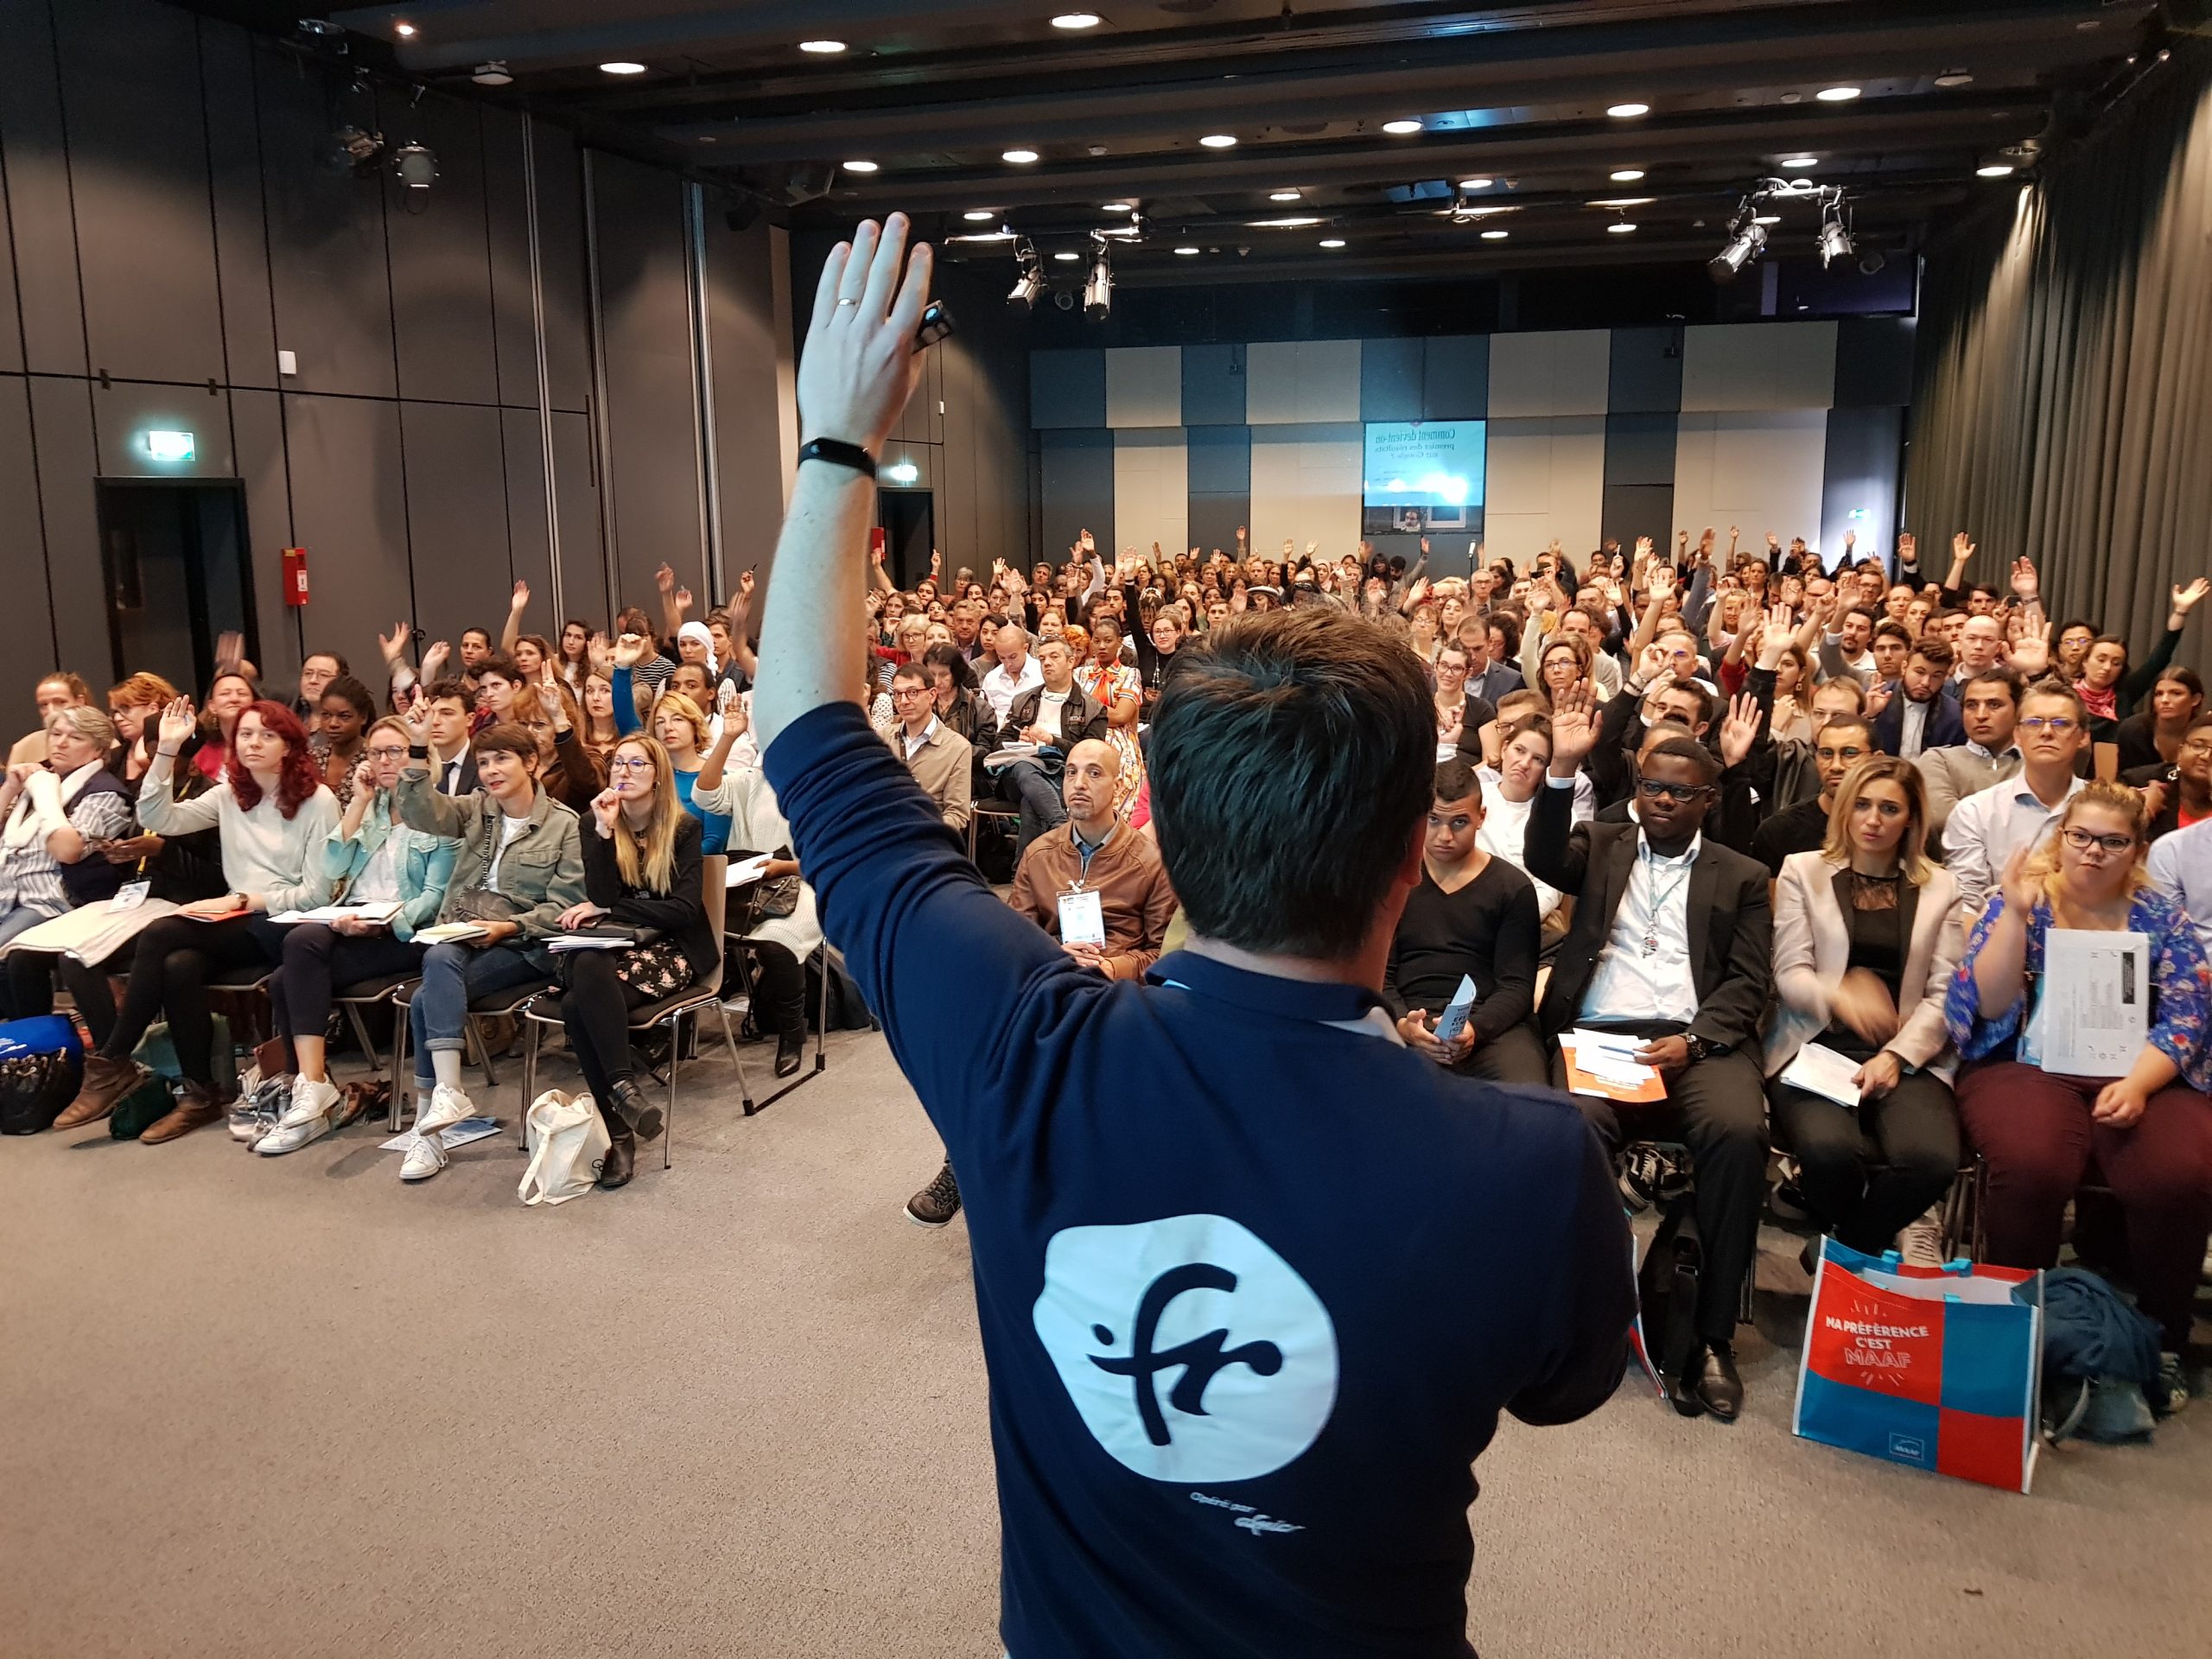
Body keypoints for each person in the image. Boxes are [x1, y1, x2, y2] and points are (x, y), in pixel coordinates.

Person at [759, 214, 1632, 1659]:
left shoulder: (1015, 1048)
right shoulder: (1537, 1169)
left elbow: (801, 715)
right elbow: (1565, 1387)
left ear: (1178, 837)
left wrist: (837, 442)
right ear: (1413, 854)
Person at [1528, 690, 1771, 1421]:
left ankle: (1713, 1336)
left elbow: (1749, 982)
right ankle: (1583, 1312)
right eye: (1650, 787)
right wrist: (1562, 772)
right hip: (1603, 1032)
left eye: (1679, 791)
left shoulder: (1742, 875)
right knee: (1571, 1127)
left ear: (1709, 798)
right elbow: (1545, 855)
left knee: (1739, 1133)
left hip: (1696, 1039)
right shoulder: (1603, 844)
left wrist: (1695, 1041)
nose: (1661, 801)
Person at [1947, 783, 2212, 1410]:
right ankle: (2014, 1330)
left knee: (2180, 1174)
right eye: (2081, 837)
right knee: (2034, 1165)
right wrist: (2012, 915)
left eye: (2113, 842)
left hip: (2143, 1071)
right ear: (2061, 839)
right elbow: (1986, 1004)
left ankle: (2162, 1338)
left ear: (2137, 851)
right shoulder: (2025, 902)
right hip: (2026, 1064)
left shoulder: (2161, 918)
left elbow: (2186, 1015)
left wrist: (2141, 1083)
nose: (2094, 852)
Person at [53, 698, 339, 1142]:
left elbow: (318, 893)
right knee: (178, 965)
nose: (254, 744)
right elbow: (156, 818)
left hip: (287, 920)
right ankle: (199, 1093)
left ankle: (114, 1060)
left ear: (289, 745)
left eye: (267, 735)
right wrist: (166, 750)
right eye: (245, 734)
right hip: (238, 917)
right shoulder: (230, 794)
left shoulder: (317, 801)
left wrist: (242, 898)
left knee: (164, 931)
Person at [1765, 758, 1962, 1265]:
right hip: (1817, 1043)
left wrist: (1896, 1057)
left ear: (1912, 820)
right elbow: (1790, 974)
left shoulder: (1943, 888)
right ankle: (1862, 1249)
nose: (1873, 819)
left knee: (1931, 1161)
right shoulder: (1803, 871)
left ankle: (1845, 1251)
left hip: (1907, 1050)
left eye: (1890, 808)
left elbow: (1944, 993)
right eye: (1863, 805)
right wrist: (1841, 996)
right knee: (1829, 1154)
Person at [250, 717, 460, 1155]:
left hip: (403, 933)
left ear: (419, 755)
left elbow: (435, 897)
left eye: (395, 751)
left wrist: (385, 921)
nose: (384, 762)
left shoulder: (442, 813)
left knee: (286, 979)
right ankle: (312, 1088)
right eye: (376, 753)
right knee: (299, 942)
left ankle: (309, 1091)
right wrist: (358, 804)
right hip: (351, 924)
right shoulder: (374, 811)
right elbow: (331, 870)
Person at [391, 718, 586, 1183]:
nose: (491, 770)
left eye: (502, 759)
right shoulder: (477, 808)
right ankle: (445, 1100)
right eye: (483, 761)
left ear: (532, 763)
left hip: (523, 946)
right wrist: (418, 749)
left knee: (423, 999)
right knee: (438, 960)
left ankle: (429, 1126)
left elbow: (565, 905)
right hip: (461, 934)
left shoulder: (564, 825)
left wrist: (507, 926)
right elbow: (419, 811)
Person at [557, 733, 715, 1190]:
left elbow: (682, 910)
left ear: (658, 775)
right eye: (618, 764)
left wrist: (614, 910)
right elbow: (603, 894)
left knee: (574, 1006)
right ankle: (625, 1093)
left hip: (673, 948)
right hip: (616, 949)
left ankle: (620, 1136)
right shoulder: (596, 824)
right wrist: (604, 834)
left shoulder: (684, 828)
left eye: (636, 765)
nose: (623, 772)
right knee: (585, 970)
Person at [1385, 759, 1547, 1085]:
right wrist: (1402, 1023)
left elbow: (1516, 985)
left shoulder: (1511, 887)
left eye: (1459, 822)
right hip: (1407, 1016)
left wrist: (1474, 1029)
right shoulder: (1393, 881)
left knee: (1528, 1097)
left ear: (1481, 817)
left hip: (1490, 1025)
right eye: (1433, 820)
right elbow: (1379, 974)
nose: (1444, 835)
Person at [693, 721, 820, 1079]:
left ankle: (792, 1034)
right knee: (683, 924)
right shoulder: (752, 778)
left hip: (802, 881)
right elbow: (705, 795)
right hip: (746, 883)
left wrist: (784, 867)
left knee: (777, 941)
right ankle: (675, 1033)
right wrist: (729, 737)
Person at [1942, 681, 2088, 925]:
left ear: (2083, 737)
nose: (2046, 732)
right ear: (2017, 735)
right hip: (1996, 939)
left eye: (2061, 723)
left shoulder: (2105, 810)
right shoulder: (1976, 812)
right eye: (2034, 722)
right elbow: (1967, 904)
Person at [0, 707, 133, 951]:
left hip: (51, 902)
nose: (61, 743)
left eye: (75, 737)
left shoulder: (104, 791)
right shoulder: (39, 779)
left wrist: (45, 794)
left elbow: (67, 850)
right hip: (6, 896)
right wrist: (9, 789)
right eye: (56, 734)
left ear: (98, 751)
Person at [989, 637, 1108, 859]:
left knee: (1031, 801)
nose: (1047, 663)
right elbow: (997, 743)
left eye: (1054, 657)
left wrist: (1052, 741)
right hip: (1016, 777)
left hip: (1064, 776)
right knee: (1024, 766)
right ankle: (1061, 826)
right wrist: (1020, 739)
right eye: (1042, 658)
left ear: (1071, 661)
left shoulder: (1092, 708)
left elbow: (1094, 755)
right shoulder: (1023, 700)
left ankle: (1022, 872)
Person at [1476, 715, 1590, 939]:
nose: (1525, 763)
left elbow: (1550, 888)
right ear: (1505, 748)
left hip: (1523, 925)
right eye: (1519, 750)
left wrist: (1512, 921)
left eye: (1538, 759)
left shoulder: (1558, 818)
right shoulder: (1475, 797)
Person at [1751, 716, 1876, 876]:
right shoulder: (1779, 832)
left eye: (1850, 753)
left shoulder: (1889, 828)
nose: (1836, 766)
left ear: (1876, 758)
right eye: (1826, 753)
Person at [1916, 668, 2023, 839]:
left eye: (1994, 705)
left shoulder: (2035, 763)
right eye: (1971, 706)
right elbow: (1942, 819)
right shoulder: (1938, 760)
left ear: (2019, 712)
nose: (1980, 715)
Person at [886, 661, 973, 833]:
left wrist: (919, 830)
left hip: (925, 840)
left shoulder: (957, 748)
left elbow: (957, 815)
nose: (903, 701)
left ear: (932, 695)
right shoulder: (882, 738)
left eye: (912, 693)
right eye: (897, 694)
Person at [1073, 616, 1146, 821]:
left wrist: (1087, 709)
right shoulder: (1079, 674)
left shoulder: (1131, 674)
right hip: (1085, 738)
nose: (1102, 646)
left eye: (1108, 640)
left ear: (1120, 643)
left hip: (1121, 741)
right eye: (1097, 641)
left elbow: (1122, 715)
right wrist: (1105, 713)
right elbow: (1073, 713)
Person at [1872, 639, 1962, 759]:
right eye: (1920, 672)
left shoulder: (1955, 714)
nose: (1925, 683)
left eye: (1936, 676)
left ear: (1945, 677)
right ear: (1904, 668)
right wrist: (1870, 716)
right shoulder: (1877, 698)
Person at [2115, 665, 2204, 773]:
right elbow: (2125, 778)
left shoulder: (2204, 733)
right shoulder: (2133, 730)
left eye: (2176, 693)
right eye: (2159, 694)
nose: (2165, 700)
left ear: (2195, 699)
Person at [308, 675, 376, 812]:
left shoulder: (375, 759)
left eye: (344, 716)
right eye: (326, 715)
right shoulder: (311, 758)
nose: (333, 723)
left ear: (363, 717)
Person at [1429, 642, 1499, 768]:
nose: (1448, 674)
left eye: (1456, 668)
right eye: (1444, 665)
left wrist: (1460, 778)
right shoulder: (1421, 705)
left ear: (1468, 673)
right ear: (1435, 666)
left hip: (1470, 781)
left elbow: (1492, 761)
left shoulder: (1482, 709)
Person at [416, 680, 480, 795]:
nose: (435, 721)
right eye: (429, 714)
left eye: (447, 713)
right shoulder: (415, 764)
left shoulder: (483, 764)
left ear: (470, 719)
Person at [979, 621, 1043, 728]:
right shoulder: (992, 678)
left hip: (1033, 737)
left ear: (1025, 648)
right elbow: (985, 717)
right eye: (1002, 658)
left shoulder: (1042, 673)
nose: (1008, 663)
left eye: (1013, 657)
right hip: (998, 738)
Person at [292, 651, 345, 721]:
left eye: (323, 675)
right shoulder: (290, 711)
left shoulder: (347, 720)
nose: (313, 680)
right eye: (308, 673)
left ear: (340, 681)